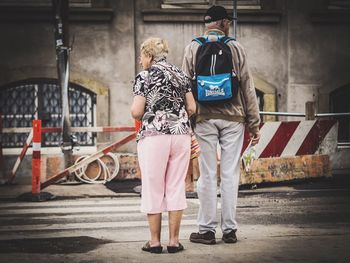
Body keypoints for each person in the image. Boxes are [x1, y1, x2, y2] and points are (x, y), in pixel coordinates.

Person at [182, 5, 261, 244]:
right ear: (224, 23)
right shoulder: (236, 47)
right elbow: (247, 86)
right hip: (234, 119)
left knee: (206, 175)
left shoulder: (193, 47)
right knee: (229, 174)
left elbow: (185, 86)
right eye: (228, 22)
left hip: (204, 119)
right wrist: (254, 125)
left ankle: (206, 230)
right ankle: (229, 230)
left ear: (207, 24)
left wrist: (186, 122)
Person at [131, 37, 196, 253]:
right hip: (180, 135)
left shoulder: (144, 76)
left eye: (141, 56)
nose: (140, 61)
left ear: (149, 56)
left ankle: (155, 242)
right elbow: (192, 107)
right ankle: (175, 241)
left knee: (153, 187)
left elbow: (137, 112)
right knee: (176, 186)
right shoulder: (180, 75)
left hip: (154, 135)